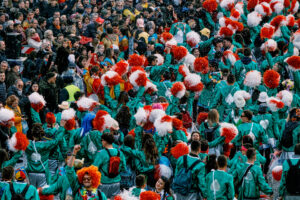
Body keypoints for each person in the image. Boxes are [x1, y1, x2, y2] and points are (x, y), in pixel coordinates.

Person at [92, 133, 126, 198]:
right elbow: (123, 167)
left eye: (102, 140)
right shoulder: (120, 153)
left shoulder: (101, 153)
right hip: (116, 182)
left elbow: (94, 168)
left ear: (104, 141)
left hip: (103, 182)